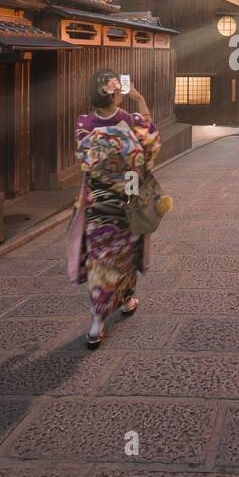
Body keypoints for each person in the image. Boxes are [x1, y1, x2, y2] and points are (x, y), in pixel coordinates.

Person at [74, 68, 160, 348]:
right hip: (127, 199)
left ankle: (105, 315)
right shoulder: (131, 120)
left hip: (98, 203)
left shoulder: (83, 124)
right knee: (125, 254)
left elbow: (86, 159)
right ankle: (114, 309)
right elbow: (151, 140)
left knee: (100, 259)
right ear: (116, 94)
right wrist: (139, 98)